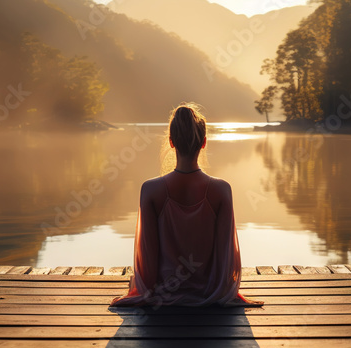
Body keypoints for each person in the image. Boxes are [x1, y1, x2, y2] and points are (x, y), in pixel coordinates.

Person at [110, 103, 263, 307]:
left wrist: (146, 292)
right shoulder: (221, 190)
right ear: (204, 143)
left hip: (163, 293)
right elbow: (225, 257)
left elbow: (148, 258)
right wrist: (219, 291)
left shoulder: (150, 190)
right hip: (209, 291)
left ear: (171, 142)